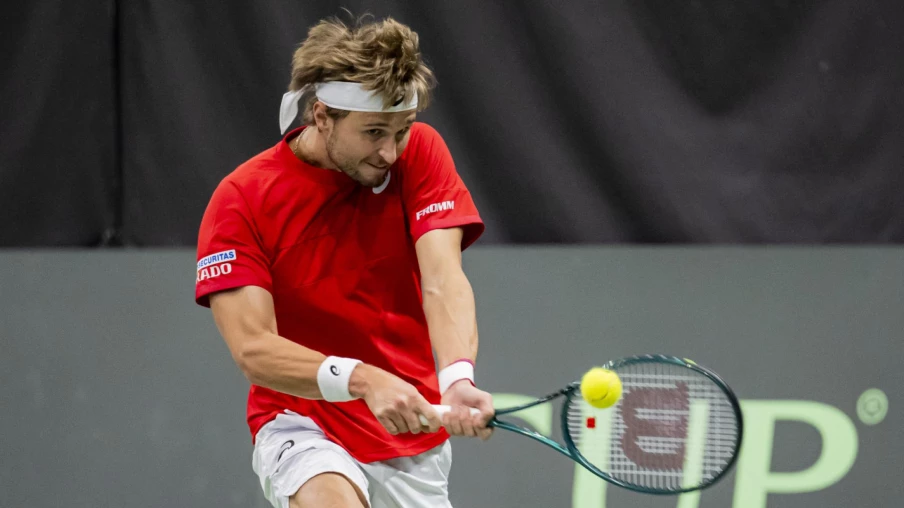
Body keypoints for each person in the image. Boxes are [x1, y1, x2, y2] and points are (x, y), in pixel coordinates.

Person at [194, 14, 494, 508]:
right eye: (374, 131)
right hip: (304, 420)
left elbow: (443, 279)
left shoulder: (421, 153)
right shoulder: (241, 199)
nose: (390, 152)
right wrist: (361, 378)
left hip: (410, 428)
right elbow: (252, 348)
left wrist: (457, 377)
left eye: (400, 131)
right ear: (321, 115)